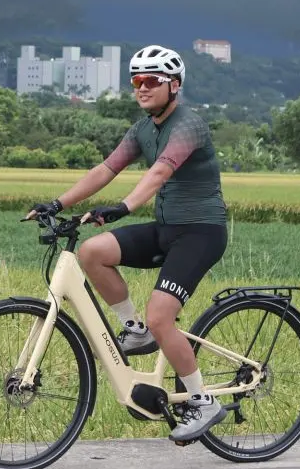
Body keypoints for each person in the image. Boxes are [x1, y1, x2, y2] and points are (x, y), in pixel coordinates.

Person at [26, 45, 229, 444]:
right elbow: (106, 168)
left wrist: (123, 206)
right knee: (92, 252)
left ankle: (203, 400)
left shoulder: (189, 125)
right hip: (167, 227)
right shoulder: (142, 129)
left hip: (201, 232)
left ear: (174, 85)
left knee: (162, 317)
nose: (142, 88)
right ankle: (133, 329)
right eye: (136, 81)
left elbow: (160, 172)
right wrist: (57, 202)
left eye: (151, 81)